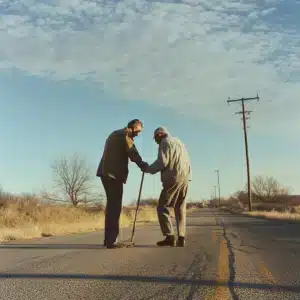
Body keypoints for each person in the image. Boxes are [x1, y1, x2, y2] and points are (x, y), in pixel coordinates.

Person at [96, 119, 148, 249]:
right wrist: (143, 165)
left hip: (104, 173)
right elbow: (132, 152)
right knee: (115, 207)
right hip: (113, 175)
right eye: (138, 131)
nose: (138, 134)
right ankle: (112, 241)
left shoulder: (114, 133)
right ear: (133, 127)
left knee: (111, 206)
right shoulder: (125, 135)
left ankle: (108, 239)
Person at [142, 126, 191, 247]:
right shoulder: (180, 142)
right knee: (180, 208)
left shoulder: (165, 142)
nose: (155, 141)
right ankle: (181, 237)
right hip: (185, 178)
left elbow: (162, 162)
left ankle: (170, 236)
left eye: (155, 139)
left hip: (173, 178)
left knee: (162, 207)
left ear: (160, 135)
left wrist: (148, 168)